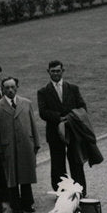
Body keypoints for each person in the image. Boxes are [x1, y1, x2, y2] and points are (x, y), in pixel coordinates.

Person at [0, 76, 40, 213]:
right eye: (7, 87)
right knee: (12, 177)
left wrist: (36, 143)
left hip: (25, 145)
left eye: (12, 87)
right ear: (3, 89)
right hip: (7, 147)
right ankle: (15, 205)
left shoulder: (26, 103)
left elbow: (33, 125)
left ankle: (28, 203)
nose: (10, 90)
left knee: (26, 174)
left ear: (17, 87)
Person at [36, 60, 88, 192]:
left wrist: (71, 117)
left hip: (72, 130)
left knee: (76, 161)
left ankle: (79, 189)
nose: (55, 74)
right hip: (54, 132)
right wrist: (59, 118)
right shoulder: (43, 92)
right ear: (48, 72)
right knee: (58, 164)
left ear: (62, 71)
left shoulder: (73, 88)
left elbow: (82, 106)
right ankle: (61, 192)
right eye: (52, 71)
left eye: (58, 71)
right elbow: (43, 112)